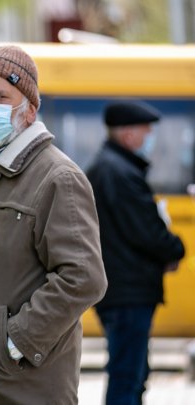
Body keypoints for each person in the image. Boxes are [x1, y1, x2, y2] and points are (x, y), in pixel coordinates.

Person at [0, 46, 108, 404]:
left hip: (22, 388)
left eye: (0, 96)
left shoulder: (57, 177)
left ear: (29, 108)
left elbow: (83, 277)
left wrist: (15, 343)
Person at [86, 101, 185, 405]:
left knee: (131, 373)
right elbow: (147, 232)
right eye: (146, 132)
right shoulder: (120, 172)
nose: (149, 139)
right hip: (128, 291)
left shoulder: (110, 167)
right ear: (128, 134)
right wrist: (176, 248)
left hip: (120, 288)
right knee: (128, 377)